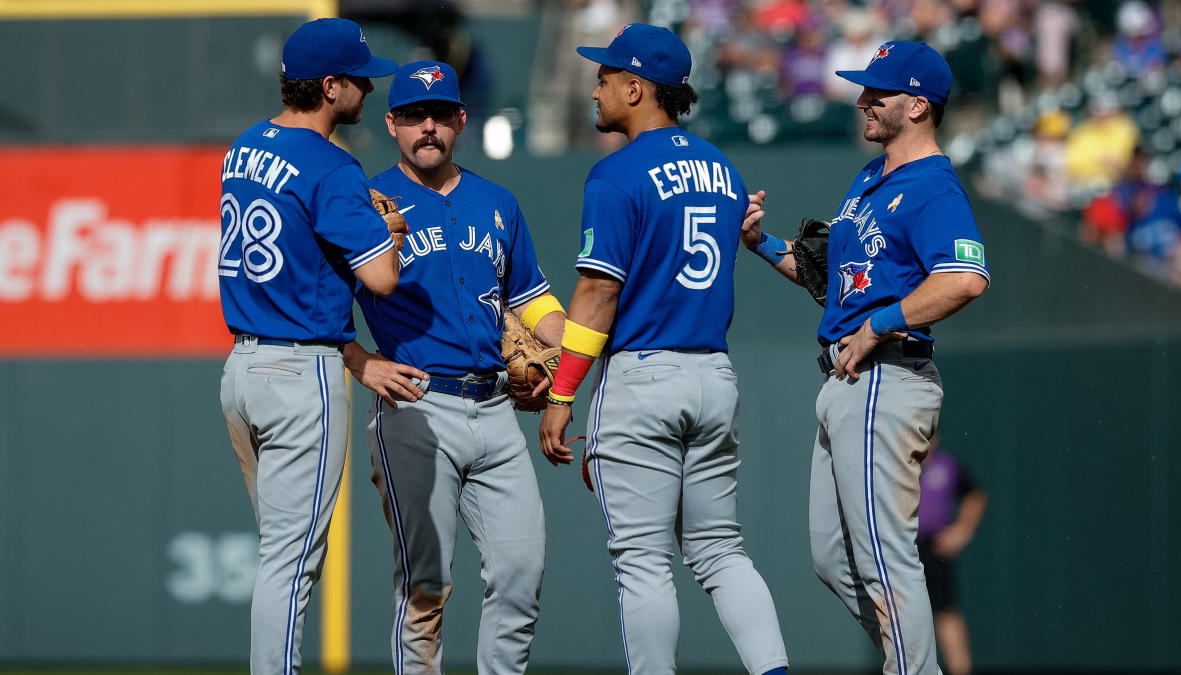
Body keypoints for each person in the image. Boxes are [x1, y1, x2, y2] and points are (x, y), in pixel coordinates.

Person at [538, 24, 789, 675]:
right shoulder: (723, 168)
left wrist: (563, 392)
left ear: (635, 85)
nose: (594, 89)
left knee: (644, 560)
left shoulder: (617, 174)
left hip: (645, 375)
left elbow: (595, 296)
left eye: (603, 77)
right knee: (721, 551)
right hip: (713, 375)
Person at [741, 41, 990, 675]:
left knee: (884, 556)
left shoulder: (933, 186)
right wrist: (760, 243)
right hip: (848, 378)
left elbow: (964, 278)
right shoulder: (870, 178)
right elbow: (829, 280)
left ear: (918, 105)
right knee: (831, 558)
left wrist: (881, 322)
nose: (862, 100)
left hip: (888, 376)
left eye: (878, 92)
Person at [343, 60, 565, 675]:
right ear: (392, 124)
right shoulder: (367, 202)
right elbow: (321, 301)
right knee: (426, 588)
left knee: (521, 575)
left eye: (440, 114)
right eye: (414, 115)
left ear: (461, 121)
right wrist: (359, 361)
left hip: (495, 410)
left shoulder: (498, 202)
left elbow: (531, 299)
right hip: (417, 405)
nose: (428, 127)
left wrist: (575, 344)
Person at [217, 18, 400, 675]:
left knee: (281, 554)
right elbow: (381, 276)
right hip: (300, 373)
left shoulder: (244, 145)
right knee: (291, 561)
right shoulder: (331, 164)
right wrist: (391, 231)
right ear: (329, 86)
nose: (369, 88)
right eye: (358, 78)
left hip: (242, 368)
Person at [917, 437, 987, 675]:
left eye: (930, 436)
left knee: (945, 611)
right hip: (903, 548)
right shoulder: (896, 467)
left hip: (935, 549)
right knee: (902, 613)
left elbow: (975, 496)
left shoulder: (947, 466)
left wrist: (962, 531)